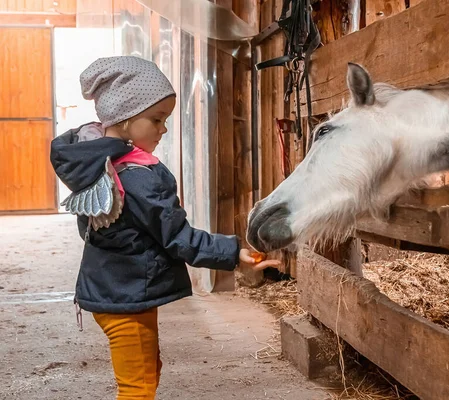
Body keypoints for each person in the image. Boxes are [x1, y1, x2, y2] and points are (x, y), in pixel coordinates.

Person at [50, 56, 280, 400]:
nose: (164, 129)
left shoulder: (99, 163)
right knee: (138, 388)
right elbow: (178, 238)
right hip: (125, 297)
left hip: (114, 290)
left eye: (165, 119)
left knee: (145, 372)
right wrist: (233, 253)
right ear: (126, 120)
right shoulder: (139, 177)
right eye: (156, 119)